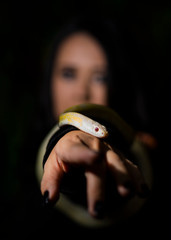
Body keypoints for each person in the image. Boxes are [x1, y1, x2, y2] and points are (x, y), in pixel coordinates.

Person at [17, 15, 158, 238]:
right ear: (48, 82)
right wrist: (60, 143)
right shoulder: (19, 170)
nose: (81, 92)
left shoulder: (143, 150)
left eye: (101, 77)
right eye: (68, 73)